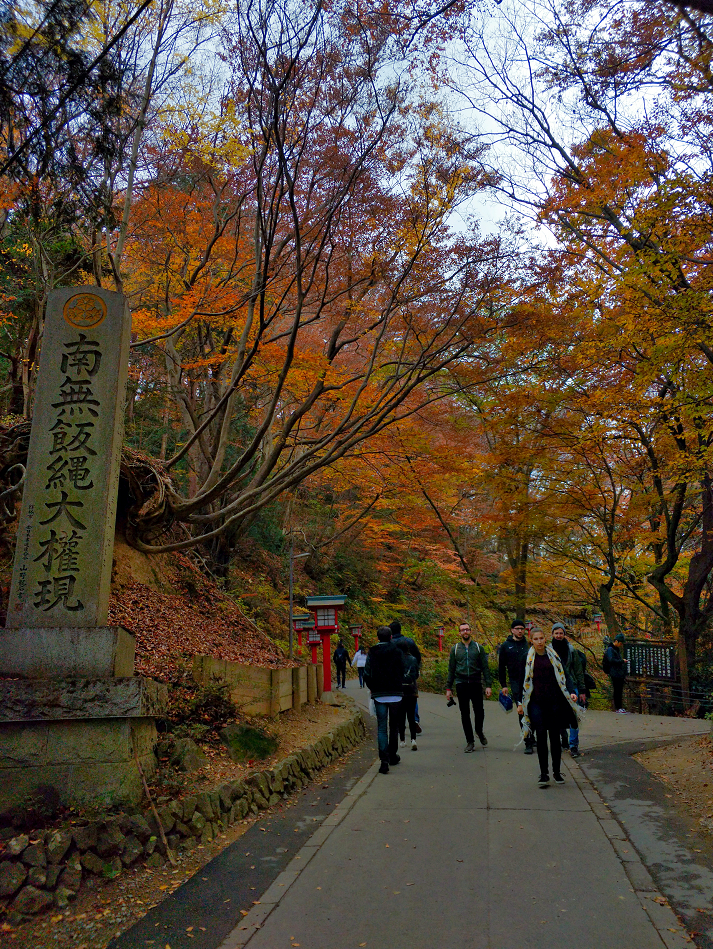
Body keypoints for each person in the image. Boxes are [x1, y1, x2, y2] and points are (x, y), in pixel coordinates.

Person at [517, 629, 581, 787]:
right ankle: (544, 774)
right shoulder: (526, 658)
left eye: (541, 638)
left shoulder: (553, 656)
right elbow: (519, 680)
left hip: (554, 702)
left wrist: (572, 692)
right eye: (536, 639)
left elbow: (565, 675)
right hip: (536, 702)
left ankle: (557, 772)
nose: (539, 641)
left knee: (555, 737)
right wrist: (519, 702)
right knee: (541, 736)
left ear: (545, 639)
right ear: (531, 640)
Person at [363, 627, 405, 774]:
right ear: (391, 637)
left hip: (379, 693)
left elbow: (367, 673)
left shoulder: (372, 652)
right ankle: (393, 755)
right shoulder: (397, 651)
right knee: (394, 726)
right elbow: (403, 669)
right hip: (396, 693)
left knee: (382, 727)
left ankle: (384, 760)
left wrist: (373, 687)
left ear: (378, 638)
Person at [446, 621, 492, 752]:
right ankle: (470, 741)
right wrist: (448, 688)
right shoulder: (455, 649)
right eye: (463, 630)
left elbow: (485, 667)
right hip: (461, 683)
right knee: (464, 713)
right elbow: (451, 669)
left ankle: (479, 730)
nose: (465, 632)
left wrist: (488, 685)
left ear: (470, 631)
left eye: (467, 629)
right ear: (459, 633)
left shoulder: (478, 648)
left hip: (475, 682)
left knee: (479, 711)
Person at [498, 619, 534, 754]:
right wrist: (504, 685)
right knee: (522, 709)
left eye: (522, 628)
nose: (520, 631)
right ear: (512, 630)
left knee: (533, 709)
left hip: (531, 680)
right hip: (515, 682)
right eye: (517, 628)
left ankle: (532, 735)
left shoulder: (528, 644)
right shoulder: (506, 646)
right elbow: (501, 667)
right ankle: (528, 741)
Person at [551, 622, 586, 758]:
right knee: (556, 715)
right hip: (555, 687)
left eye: (561, 633)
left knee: (574, 716)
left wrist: (582, 690)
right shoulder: (548, 650)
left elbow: (578, 670)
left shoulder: (571, 650)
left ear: (564, 634)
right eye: (556, 633)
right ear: (552, 634)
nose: (559, 636)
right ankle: (563, 738)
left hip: (572, 686)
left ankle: (573, 745)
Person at [390, 619, 422, 733]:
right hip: (409, 673)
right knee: (412, 696)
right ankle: (415, 719)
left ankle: (399, 722)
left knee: (397, 698)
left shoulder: (389, 643)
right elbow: (418, 656)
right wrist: (415, 669)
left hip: (395, 676)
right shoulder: (409, 641)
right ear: (400, 630)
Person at [395, 639, 420, 750]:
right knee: (411, 715)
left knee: (401, 716)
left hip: (400, 691)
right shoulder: (413, 659)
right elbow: (416, 674)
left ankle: (402, 740)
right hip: (412, 690)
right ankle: (413, 739)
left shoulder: (396, 660)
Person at [604, 633, 628, 712]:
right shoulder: (610, 649)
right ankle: (618, 707)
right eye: (620, 643)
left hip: (619, 673)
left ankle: (620, 707)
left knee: (619, 690)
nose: (621, 645)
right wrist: (621, 661)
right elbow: (611, 660)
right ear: (616, 641)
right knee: (617, 690)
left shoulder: (616, 649)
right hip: (614, 673)